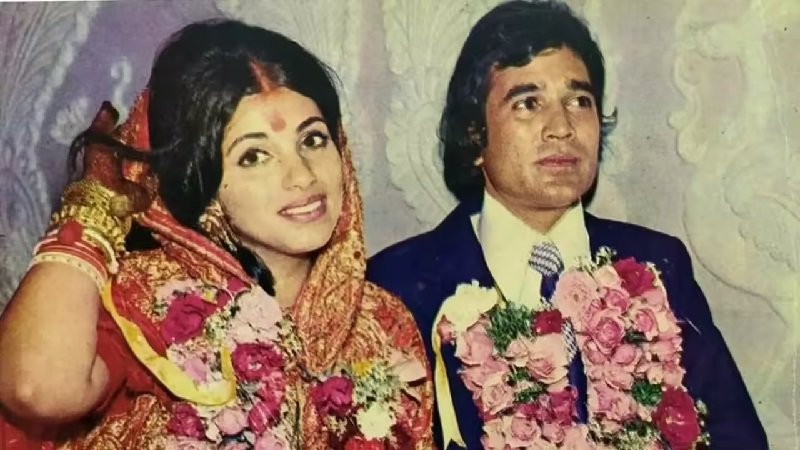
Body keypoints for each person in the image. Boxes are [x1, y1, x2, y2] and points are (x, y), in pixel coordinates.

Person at [0, 19, 433, 449]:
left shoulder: (379, 322)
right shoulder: (149, 301)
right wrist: (93, 207)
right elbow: (37, 388)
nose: (302, 175)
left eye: (313, 140)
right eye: (254, 156)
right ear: (202, 183)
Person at [367, 1, 767, 449]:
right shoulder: (398, 285)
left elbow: (739, 439)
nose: (561, 127)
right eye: (528, 103)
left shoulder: (658, 266)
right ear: (475, 136)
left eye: (579, 101)